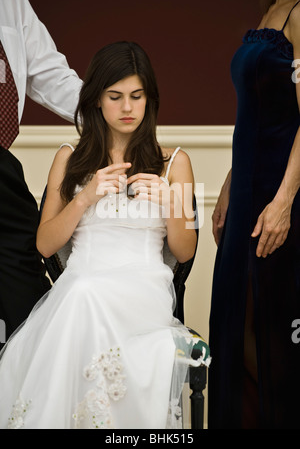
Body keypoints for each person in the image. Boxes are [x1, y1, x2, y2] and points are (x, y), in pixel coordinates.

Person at [0, 41, 203, 429]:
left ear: (150, 100)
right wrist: (85, 198)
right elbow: (45, 244)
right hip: (81, 283)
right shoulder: (68, 159)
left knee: (84, 295)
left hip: (144, 287)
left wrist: (171, 203)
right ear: (95, 100)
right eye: (115, 96)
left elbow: (184, 249)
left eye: (137, 96)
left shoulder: (175, 163)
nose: (128, 108)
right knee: (83, 292)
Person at [209, 0, 300, 429]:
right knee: (234, 320)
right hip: (246, 188)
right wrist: (229, 183)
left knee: (273, 325)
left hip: (281, 190)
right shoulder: (270, 10)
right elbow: (254, 114)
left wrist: (284, 201)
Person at [0, 0, 82, 348]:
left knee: (24, 297)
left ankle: (20, 398)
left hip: (0, 165)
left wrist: (106, 109)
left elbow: (48, 72)